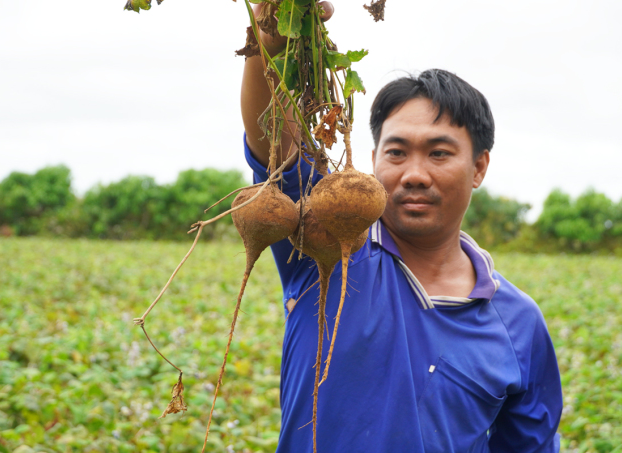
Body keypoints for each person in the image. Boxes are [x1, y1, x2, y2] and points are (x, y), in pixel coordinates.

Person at [240, 3, 562, 452]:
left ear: (479, 167)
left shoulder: (519, 323)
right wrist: (270, 40)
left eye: (439, 153)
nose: (414, 173)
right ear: (372, 160)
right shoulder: (327, 246)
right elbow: (274, 143)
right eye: (396, 152)